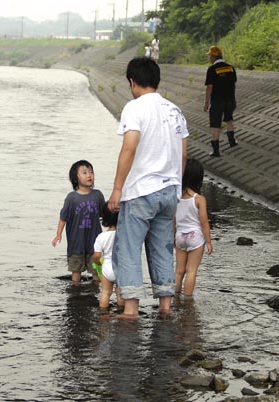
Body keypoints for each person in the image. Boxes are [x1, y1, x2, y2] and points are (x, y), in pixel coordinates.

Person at [108, 57, 189, 319]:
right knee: (162, 247)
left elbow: (129, 147)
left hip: (141, 190)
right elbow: (183, 155)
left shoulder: (134, 108)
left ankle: (131, 309)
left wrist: (117, 188)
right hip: (169, 191)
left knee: (128, 247)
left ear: (132, 82)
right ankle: (165, 306)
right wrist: (176, 188)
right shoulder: (176, 110)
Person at [52, 160, 106, 284]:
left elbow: (105, 216)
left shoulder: (98, 195)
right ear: (76, 178)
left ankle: (97, 292)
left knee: (97, 272)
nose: (89, 175)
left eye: (91, 172)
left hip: (94, 243)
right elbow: (63, 218)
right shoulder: (71, 198)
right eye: (84, 172)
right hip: (76, 243)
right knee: (76, 272)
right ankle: (75, 293)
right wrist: (58, 235)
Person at [175, 158, 213, 297]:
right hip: (195, 237)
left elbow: (173, 220)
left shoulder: (176, 197)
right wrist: (208, 241)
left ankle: (174, 297)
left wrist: (173, 237)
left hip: (180, 237)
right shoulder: (199, 199)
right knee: (191, 270)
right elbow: (204, 222)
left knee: (179, 271)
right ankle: (188, 301)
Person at [204, 45, 237, 157]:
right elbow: (233, 83)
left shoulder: (212, 69)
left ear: (214, 56)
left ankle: (216, 150)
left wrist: (206, 102)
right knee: (229, 119)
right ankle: (232, 141)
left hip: (217, 101)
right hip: (230, 99)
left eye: (210, 56)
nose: (210, 58)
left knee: (215, 124)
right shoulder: (231, 68)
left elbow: (209, 87)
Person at [92, 202, 125, 312]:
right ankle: (120, 311)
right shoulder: (124, 235)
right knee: (120, 293)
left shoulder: (101, 237)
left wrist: (98, 264)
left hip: (106, 267)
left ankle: (103, 315)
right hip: (121, 267)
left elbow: (96, 256)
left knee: (105, 293)